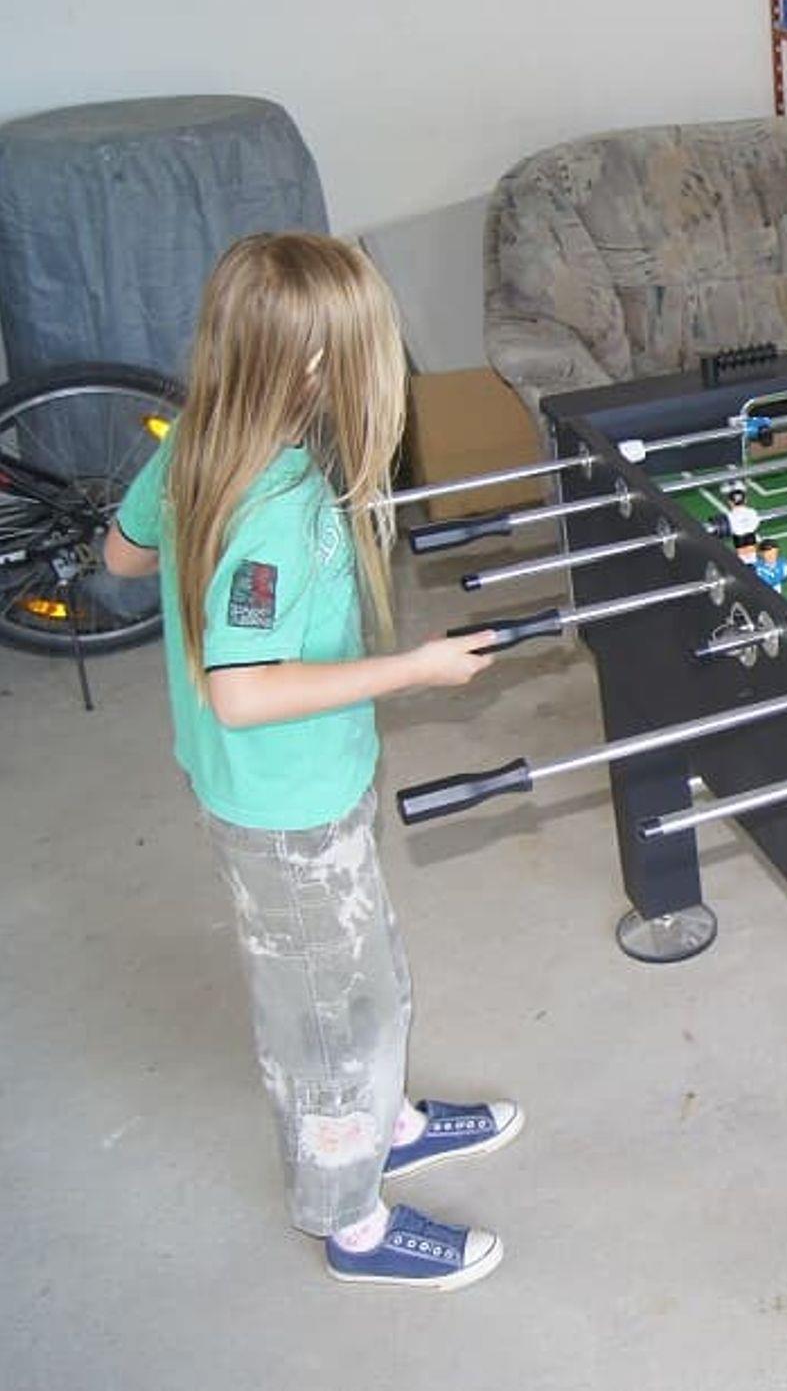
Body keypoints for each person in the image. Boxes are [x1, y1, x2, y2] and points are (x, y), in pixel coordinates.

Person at [100, 233, 516, 1291]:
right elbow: (242, 688)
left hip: (301, 786)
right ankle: (351, 1219)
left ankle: (390, 1122)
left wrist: (184, 536)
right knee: (331, 1019)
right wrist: (413, 668)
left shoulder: (199, 441)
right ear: (317, 364)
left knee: (364, 970)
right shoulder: (277, 503)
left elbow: (121, 554)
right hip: (283, 803)